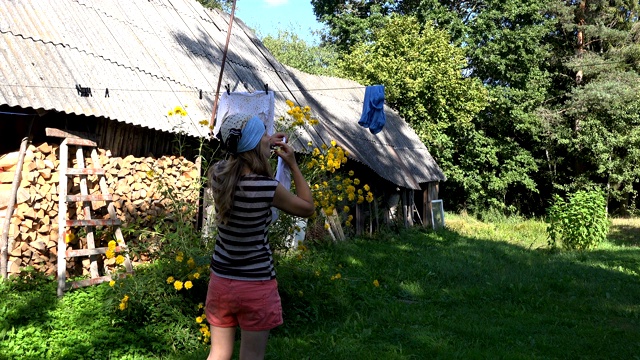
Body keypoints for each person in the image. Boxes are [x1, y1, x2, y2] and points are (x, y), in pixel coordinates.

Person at [205, 113, 315, 360]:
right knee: (251, 357)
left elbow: (237, 154)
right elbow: (307, 208)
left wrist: (263, 141)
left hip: (221, 280)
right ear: (254, 144)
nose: (269, 137)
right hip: (256, 284)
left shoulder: (218, 175)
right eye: (264, 134)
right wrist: (292, 165)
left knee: (218, 353)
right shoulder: (267, 188)